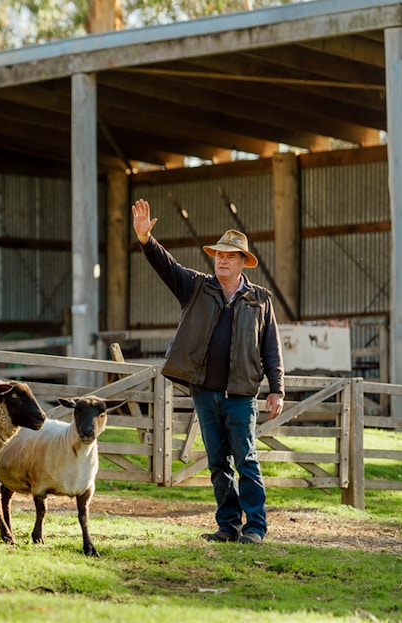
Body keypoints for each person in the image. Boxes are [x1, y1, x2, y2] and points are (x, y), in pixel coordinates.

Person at [132, 198, 285, 545]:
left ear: (243, 262)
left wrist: (277, 388)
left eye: (229, 256)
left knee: (245, 460)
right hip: (206, 392)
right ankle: (228, 525)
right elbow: (166, 266)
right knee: (218, 463)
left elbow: (271, 347)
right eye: (218, 255)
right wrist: (146, 240)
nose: (222, 260)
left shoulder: (260, 299)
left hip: (241, 395)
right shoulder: (197, 287)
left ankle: (256, 528)